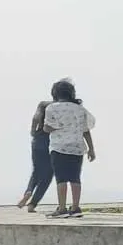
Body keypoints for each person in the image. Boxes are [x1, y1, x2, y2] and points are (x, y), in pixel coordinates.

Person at [41, 79, 96, 218]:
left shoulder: (51, 108)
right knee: (75, 177)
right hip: (77, 147)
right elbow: (86, 130)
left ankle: (62, 208)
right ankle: (76, 207)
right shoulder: (80, 109)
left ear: (55, 93)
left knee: (61, 178)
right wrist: (91, 149)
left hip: (59, 147)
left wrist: (47, 127)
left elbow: (48, 127)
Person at [15, 100, 53, 213]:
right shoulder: (59, 107)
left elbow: (35, 118)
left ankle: (29, 191)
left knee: (36, 171)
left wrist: (33, 131)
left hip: (38, 141)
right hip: (51, 143)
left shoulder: (43, 104)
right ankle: (32, 204)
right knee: (48, 176)